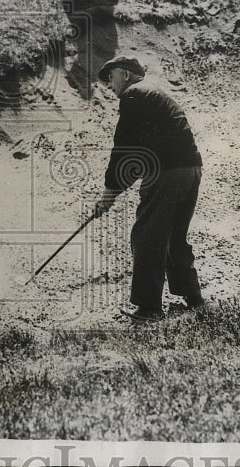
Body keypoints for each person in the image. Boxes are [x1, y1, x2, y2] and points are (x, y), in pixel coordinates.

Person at [92, 55, 205, 322]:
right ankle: (194, 298)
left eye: (111, 77)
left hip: (166, 172)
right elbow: (138, 157)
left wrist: (108, 194)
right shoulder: (153, 94)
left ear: (127, 75)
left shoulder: (133, 96)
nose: (109, 85)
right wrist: (113, 193)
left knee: (147, 236)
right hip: (190, 170)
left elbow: (124, 149)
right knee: (174, 237)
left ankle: (148, 308)